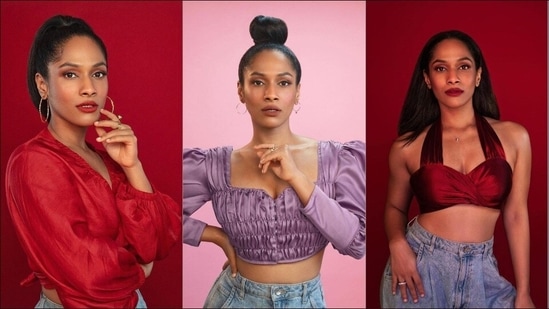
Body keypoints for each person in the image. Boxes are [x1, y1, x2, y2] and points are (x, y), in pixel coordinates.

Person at [183, 15, 365, 308]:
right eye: (257, 82)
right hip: (235, 298)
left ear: (297, 91)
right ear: (241, 90)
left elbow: (356, 243)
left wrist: (297, 177)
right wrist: (214, 235)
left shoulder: (337, 159)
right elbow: (157, 214)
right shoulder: (214, 165)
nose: (271, 94)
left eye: (283, 82)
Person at [4, 15, 181, 308]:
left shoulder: (107, 159)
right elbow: (87, 271)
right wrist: (138, 270)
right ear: (42, 84)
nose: (89, 88)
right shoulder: (32, 161)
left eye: (98, 74)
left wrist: (132, 166)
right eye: (71, 74)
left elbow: (159, 239)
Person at [380, 30, 535, 308]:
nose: (453, 77)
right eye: (441, 68)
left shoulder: (515, 138)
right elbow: (394, 208)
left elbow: (516, 214)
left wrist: (523, 291)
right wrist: (397, 244)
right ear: (428, 79)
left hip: (483, 272)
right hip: (419, 271)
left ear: (478, 75)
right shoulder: (407, 147)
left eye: (463, 66)